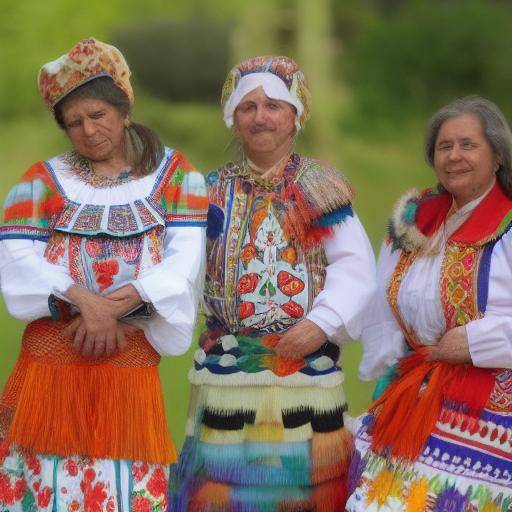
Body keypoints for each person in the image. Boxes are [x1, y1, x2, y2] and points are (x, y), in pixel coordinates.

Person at [0, 38, 207, 510]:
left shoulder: (176, 176)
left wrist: (110, 310)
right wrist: (84, 301)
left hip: (127, 369)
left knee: (123, 485)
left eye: (98, 115)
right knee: (47, 485)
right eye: (74, 123)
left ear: (124, 110)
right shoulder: (42, 179)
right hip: (51, 366)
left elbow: (183, 263)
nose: (88, 130)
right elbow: (16, 258)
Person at [171, 56, 376, 511]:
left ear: (295, 115)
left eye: (273, 105)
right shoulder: (209, 191)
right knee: (220, 490)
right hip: (226, 371)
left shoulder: (319, 188)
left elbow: (355, 266)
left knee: (303, 490)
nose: (260, 116)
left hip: (303, 372)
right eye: (248, 107)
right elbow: (180, 267)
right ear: (232, 117)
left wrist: (321, 323)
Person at [346, 96, 512, 511]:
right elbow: (383, 305)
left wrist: (475, 342)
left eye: (468, 145)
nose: (455, 156)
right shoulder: (416, 220)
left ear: (497, 156)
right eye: (444, 146)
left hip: (487, 412)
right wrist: (385, 374)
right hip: (413, 395)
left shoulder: (508, 224)